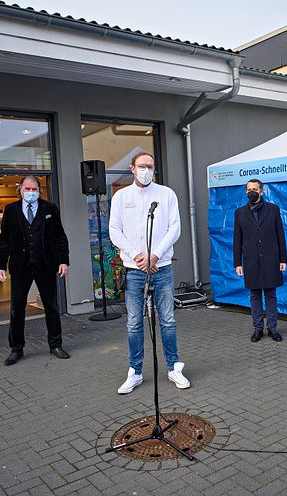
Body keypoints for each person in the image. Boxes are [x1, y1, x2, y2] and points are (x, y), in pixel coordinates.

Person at [108, 151, 190, 393]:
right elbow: (115, 231)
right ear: (132, 168)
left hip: (161, 267)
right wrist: (137, 255)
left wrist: (155, 255)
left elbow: (174, 228)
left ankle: (174, 367)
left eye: (150, 166)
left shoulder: (166, 194)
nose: (146, 170)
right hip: (134, 269)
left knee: (168, 320)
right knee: (134, 322)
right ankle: (135, 371)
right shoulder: (121, 197)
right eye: (142, 166)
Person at [0, 176, 70, 366]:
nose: (30, 192)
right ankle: (16, 348)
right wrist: (0, 266)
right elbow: (4, 240)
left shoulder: (50, 208)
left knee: (51, 307)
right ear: (20, 189)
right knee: (17, 309)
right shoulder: (11, 210)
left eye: (34, 189)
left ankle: (55, 344)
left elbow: (60, 237)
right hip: (21, 266)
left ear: (39, 190)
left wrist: (64, 261)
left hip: (45, 265)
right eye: (27, 189)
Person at [233, 179, 287, 342]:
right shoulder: (240, 213)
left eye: (254, 189)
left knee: (271, 295)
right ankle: (258, 329)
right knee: (254, 296)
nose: (251, 192)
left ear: (261, 191)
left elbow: (280, 235)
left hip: (271, 259)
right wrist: (237, 263)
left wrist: (282, 259)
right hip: (250, 261)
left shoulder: (273, 209)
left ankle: (272, 328)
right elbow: (237, 239)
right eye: (248, 189)